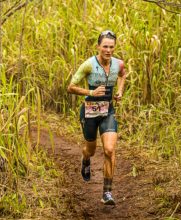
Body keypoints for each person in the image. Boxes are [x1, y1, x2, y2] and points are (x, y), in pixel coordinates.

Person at [67, 30, 126, 205]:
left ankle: (107, 193)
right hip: (90, 112)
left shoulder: (118, 64)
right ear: (98, 46)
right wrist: (90, 92)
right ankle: (85, 160)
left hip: (108, 111)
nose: (108, 50)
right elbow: (71, 87)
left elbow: (123, 75)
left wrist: (120, 91)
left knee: (109, 150)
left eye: (111, 47)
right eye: (105, 46)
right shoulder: (89, 65)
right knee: (90, 150)